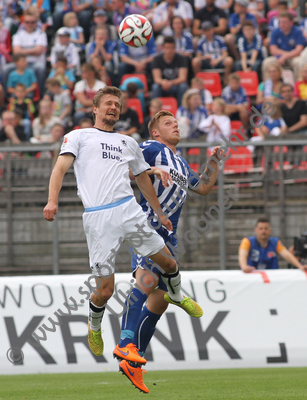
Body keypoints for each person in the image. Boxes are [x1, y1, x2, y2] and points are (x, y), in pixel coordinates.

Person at [43, 86, 203, 373]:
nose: (113, 108)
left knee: (168, 262)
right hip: (98, 217)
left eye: (117, 104)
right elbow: (59, 169)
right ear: (95, 108)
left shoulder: (127, 142)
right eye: (108, 103)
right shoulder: (79, 136)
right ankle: (94, 325)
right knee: (105, 291)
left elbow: (141, 178)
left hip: (130, 211)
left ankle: (176, 295)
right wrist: (52, 200)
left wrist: (158, 212)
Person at [115, 110, 224, 393]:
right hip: (146, 227)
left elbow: (202, 187)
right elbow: (126, 169)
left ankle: (133, 361)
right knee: (147, 281)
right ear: (155, 132)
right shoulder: (152, 148)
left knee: (160, 300)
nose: (174, 126)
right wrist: (150, 171)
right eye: (167, 123)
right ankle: (125, 343)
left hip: (167, 236)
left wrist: (213, 162)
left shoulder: (180, 163)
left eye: (176, 123)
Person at [3, 10, 48, 97]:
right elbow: (16, 52)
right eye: (27, 22)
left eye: (32, 22)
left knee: (41, 68)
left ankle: (39, 96)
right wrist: (33, 50)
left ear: (36, 23)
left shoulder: (41, 34)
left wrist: (22, 51)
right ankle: (6, 96)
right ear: (24, 23)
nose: (30, 24)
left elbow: (39, 51)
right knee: (5, 69)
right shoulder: (18, 35)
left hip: (35, 63)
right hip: (19, 64)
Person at [239, 217, 307, 272]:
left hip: (272, 278)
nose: (263, 231)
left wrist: (300, 266)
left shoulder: (276, 242)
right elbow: (242, 254)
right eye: (261, 229)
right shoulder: (247, 241)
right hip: (252, 276)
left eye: (266, 229)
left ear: (270, 230)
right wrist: (244, 266)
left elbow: (287, 255)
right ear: (256, 230)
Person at [262, 12, 305, 81]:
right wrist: (284, 55)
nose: (282, 24)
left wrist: (285, 56)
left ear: (291, 22)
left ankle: (298, 86)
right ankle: (268, 86)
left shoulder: (298, 31)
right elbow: (273, 50)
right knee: (267, 62)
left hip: (293, 57)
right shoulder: (275, 31)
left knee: (299, 62)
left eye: (285, 22)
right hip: (278, 57)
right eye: (280, 22)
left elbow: (299, 50)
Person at [151, 36, 189, 107]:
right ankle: (155, 111)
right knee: (155, 87)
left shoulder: (181, 59)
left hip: (175, 86)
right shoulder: (157, 59)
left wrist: (170, 83)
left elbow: (183, 78)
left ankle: (181, 110)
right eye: (167, 48)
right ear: (163, 48)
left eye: (172, 48)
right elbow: (157, 78)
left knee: (183, 86)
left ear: (175, 48)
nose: (169, 50)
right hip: (163, 86)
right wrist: (163, 82)